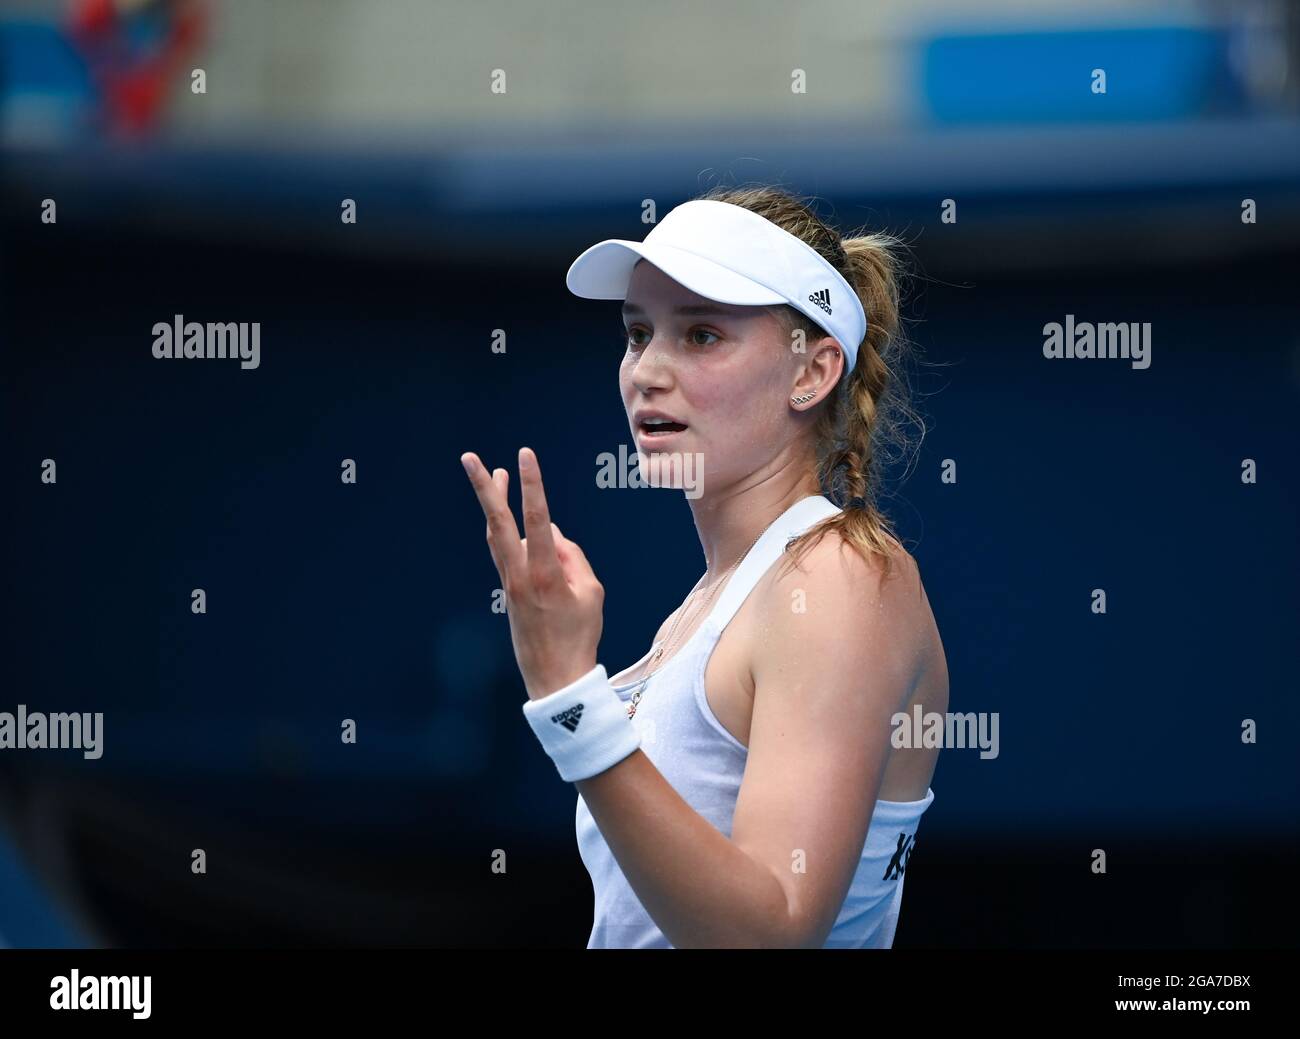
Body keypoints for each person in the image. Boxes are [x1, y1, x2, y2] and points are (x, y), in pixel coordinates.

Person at [460, 185, 947, 948]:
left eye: (702, 335)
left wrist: (569, 695)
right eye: (636, 333)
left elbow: (773, 933)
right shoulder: (705, 610)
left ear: (811, 373)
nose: (646, 370)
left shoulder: (837, 579)